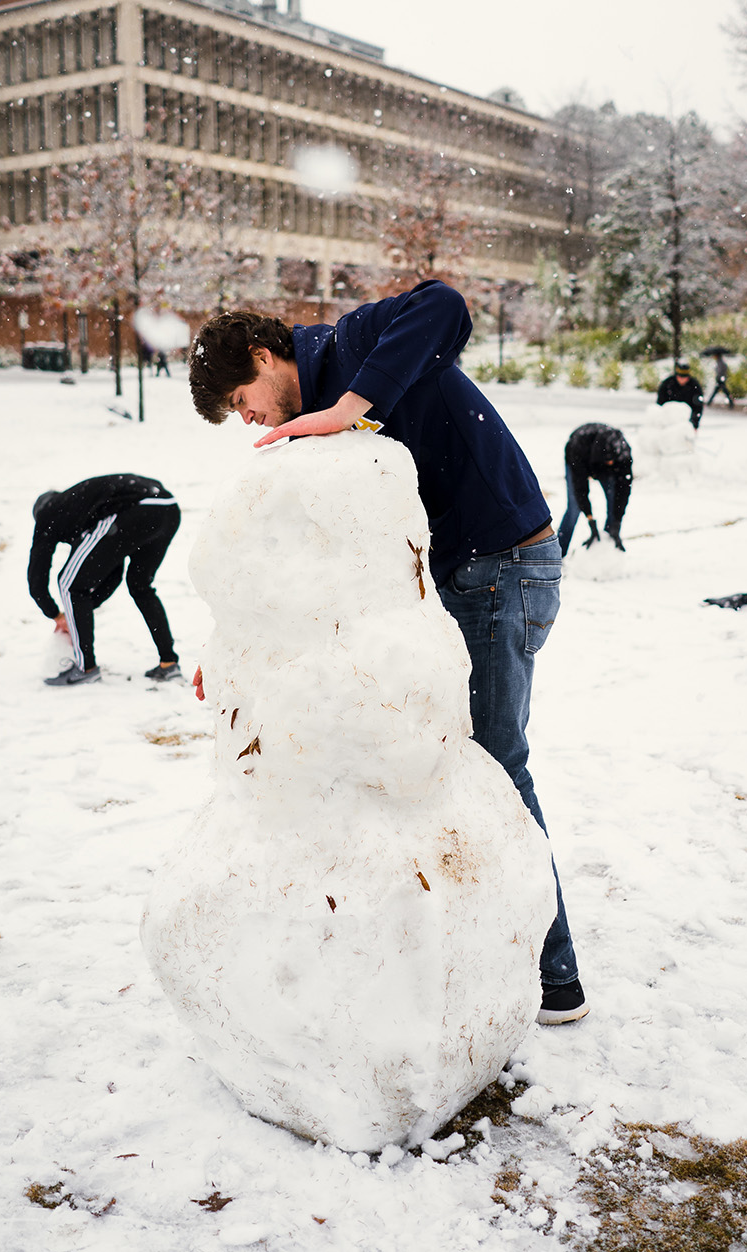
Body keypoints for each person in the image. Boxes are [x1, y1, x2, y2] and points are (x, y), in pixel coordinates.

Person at [188, 279, 588, 1025]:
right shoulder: (317, 420)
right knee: (447, 760)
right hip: (462, 577)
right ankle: (470, 956)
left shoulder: (353, 344)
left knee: (493, 764)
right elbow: (322, 543)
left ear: (266, 355)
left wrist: (347, 406)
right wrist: (242, 639)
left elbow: (446, 305)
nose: (247, 417)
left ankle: (554, 975)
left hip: (504, 566)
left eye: (243, 398)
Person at [28, 474, 182, 686]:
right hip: (167, 507)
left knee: (68, 583)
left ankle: (86, 669)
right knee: (141, 586)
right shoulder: (82, 509)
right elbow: (111, 572)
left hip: (141, 509)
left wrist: (56, 615)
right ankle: (169, 663)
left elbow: (37, 578)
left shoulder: (49, 513)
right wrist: (80, 612)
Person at [557, 423, 632, 556]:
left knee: (613, 500)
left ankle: (606, 546)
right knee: (574, 508)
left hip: (601, 465)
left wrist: (617, 522)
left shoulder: (622, 454)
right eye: (607, 461)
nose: (610, 463)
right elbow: (580, 488)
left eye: (612, 461)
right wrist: (590, 520)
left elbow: (623, 490)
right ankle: (558, 553)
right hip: (580, 459)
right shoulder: (578, 448)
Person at [656, 360, 704, 429]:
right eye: (680, 377)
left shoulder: (695, 386)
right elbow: (660, 403)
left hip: (686, 421)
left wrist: (694, 425)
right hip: (669, 420)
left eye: (684, 377)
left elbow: (698, 407)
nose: (682, 379)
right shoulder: (667, 384)